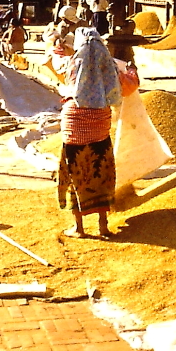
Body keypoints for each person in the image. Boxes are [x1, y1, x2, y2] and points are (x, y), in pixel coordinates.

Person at [57, 28, 121, 239]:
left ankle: (79, 228)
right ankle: (103, 225)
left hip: (75, 120)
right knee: (100, 169)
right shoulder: (107, 62)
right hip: (101, 118)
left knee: (76, 172)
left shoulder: (75, 63)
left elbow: (66, 80)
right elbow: (114, 86)